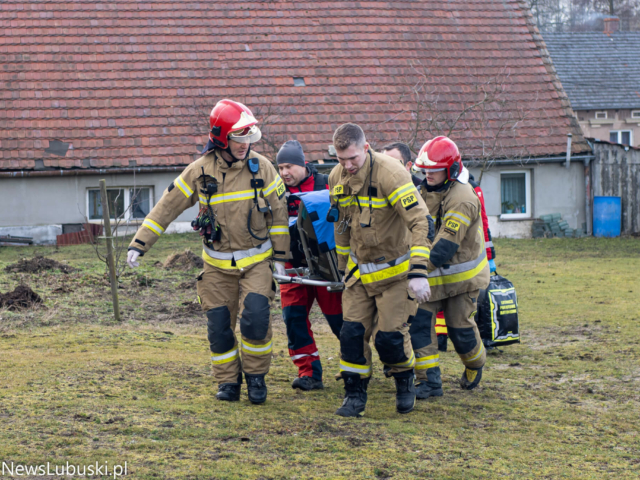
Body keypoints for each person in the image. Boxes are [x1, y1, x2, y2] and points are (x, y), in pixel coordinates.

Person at [126, 99, 290, 405]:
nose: (245, 144)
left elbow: (279, 217)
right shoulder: (199, 171)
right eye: (238, 137)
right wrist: (140, 243)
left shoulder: (263, 168)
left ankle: (256, 378)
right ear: (221, 137)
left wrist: (280, 259)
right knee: (218, 327)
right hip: (215, 267)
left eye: (248, 136)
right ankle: (228, 382)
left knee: (255, 320)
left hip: (256, 263)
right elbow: (167, 207)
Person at [329, 124, 434, 417]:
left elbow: (421, 223)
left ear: (365, 148)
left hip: (396, 275)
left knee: (389, 339)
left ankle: (404, 380)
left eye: (352, 159)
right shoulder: (337, 177)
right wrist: (341, 270)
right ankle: (354, 394)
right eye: (341, 159)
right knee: (351, 336)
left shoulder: (392, 173)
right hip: (359, 274)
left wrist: (418, 272)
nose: (347, 166)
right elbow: (340, 225)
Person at [410, 136, 490, 398]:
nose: (427, 175)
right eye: (425, 170)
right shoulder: (425, 189)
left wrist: (415, 271)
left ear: (451, 169)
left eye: (434, 171)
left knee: (460, 332)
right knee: (420, 325)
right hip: (430, 277)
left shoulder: (463, 198)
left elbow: (445, 247)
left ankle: (475, 363)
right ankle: (429, 382)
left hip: (460, 281)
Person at [276, 140, 344, 391]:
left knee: (340, 322)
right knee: (293, 320)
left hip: (326, 266)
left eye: (289, 166)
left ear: (304, 164)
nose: (284, 173)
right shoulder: (274, 190)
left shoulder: (327, 184)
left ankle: (355, 366)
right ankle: (309, 373)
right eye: (280, 167)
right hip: (291, 266)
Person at [436, 172, 497, 352]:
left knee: (459, 304)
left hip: (464, 255)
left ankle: (447, 338)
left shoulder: (469, 190)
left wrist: (489, 253)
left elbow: (482, 222)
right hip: (445, 250)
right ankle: (441, 337)